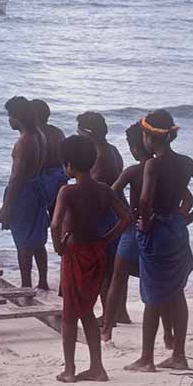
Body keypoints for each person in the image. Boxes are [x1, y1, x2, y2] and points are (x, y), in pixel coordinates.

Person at [125, 110, 193, 373]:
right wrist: (188, 217)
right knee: (176, 292)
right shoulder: (185, 162)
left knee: (152, 295)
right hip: (177, 228)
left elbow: (144, 200)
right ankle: (179, 354)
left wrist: (145, 221)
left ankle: (147, 358)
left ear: (149, 137)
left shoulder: (154, 165)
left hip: (157, 231)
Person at [50, 136, 132, 383]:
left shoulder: (68, 191)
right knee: (86, 309)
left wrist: (58, 246)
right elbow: (126, 218)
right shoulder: (104, 190)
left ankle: (70, 369)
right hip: (97, 251)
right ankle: (97, 366)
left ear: (68, 165)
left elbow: (55, 224)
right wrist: (107, 238)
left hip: (75, 253)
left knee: (69, 315)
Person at [101, 123, 189, 344]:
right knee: (165, 286)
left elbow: (110, 195)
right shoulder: (165, 169)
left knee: (117, 278)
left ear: (135, 148)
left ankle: (107, 329)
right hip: (163, 229)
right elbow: (188, 199)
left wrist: (126, 214)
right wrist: (180, 218)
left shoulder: (133, 171)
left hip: (135, 229)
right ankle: (168, 335)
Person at [76, 111, 124, 324]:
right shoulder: (111, 150)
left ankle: (109, 315)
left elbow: (93, 190)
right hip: (118, 210)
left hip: (106, 214)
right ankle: (119, 312)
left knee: (105, 270)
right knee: (114, 268)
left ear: (88, 133)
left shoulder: (100, 156)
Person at [0, 96, 50, 289]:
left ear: (17, 116)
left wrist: (6, 206)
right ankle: (43, 281)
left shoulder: (23, 141)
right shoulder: (40, 136)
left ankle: (26, 284)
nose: (9, 120)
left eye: (10, 116)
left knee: (22, 241)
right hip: (37, 187)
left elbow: (16, 177)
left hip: (24, 192)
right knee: (37, 238)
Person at [32, 99, 67, 218]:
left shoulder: (35, 135)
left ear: (34, 115)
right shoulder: (58, 132)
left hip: (43, 180)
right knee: (57, 217)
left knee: (37, 218)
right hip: (59, 178)